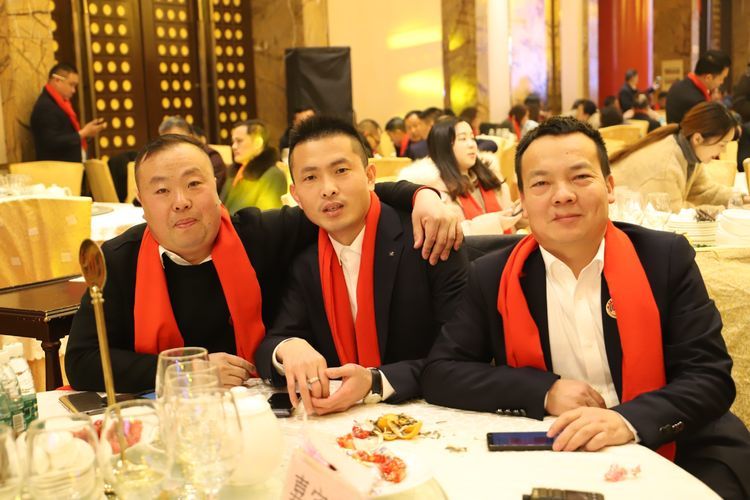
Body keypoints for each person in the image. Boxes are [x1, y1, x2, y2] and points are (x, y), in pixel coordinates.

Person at [421, 116, 750, 499]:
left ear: (609, 187)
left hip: (681, 443)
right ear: (521, 198)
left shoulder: (664, 258)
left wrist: (627, 421)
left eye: (580, 177)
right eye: (541, 183)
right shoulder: (493, 275)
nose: (563, 195)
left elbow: (709, 376)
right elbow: (442, 372)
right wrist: (544, 392)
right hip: (554, 447)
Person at [65, 134, 465, 393]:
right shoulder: (119, 261)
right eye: (161, 191)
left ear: (218, 188)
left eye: (194, 183)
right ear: (140, 201)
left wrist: (423, 196)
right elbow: (82, 362)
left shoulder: (259, 235)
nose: (181, 202)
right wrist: (186, 372)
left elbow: (344, 199)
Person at [255, 117, 468, 414]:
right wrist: (287, 347)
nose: (328, 189)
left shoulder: (428, 238)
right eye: (311, 177)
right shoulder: (306, 261)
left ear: (370, 177)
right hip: (344, 423)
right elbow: (272, 343)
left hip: (433, 414)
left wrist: (376, 382)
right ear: (297, 197)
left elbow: (463, 353)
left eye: (341, 171)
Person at [610, 101, 744, 212]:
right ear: (697, 138)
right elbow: (674, 215)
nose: (724, 151)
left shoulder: (688, 152)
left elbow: (703, 191)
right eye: (722, 144)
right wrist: (720, 211)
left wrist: (741, 198)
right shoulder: (667, 166)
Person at [398, 117, 520, 235]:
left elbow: (509, 220)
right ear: (444, 147)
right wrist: (496, 223)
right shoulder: (434, 192)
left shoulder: (488, 176)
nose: (472, 144)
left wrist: (520, 214)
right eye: (463, 139)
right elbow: (451, 235)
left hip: (509, 246)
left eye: (472, 138)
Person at [30, 63, 107, 162]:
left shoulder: (61, 104)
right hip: (58, 168)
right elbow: (50, 142)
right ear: (57, 81)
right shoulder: (46, 106)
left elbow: (66, 135)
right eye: (71, 85)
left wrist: (87, 133)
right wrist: (83, 133)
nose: (74, 90)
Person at [220, 120, 286, 213]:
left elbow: (267, 217)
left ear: (257, 143)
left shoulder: (274, 175)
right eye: (233, 141)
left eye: (239, 141)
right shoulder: (235, 172)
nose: (234, 146)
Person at [158, 115, 227, 193]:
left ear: (190, 137)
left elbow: (209, 192)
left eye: (175, 139)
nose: (171, 146)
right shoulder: (165, 161)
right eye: (166, 142)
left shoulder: (211, 157)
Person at [666, 50, 731, 124]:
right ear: (708, 78)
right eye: (722, 78)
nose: (722, 82)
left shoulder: (679, 85)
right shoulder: (697, 102)